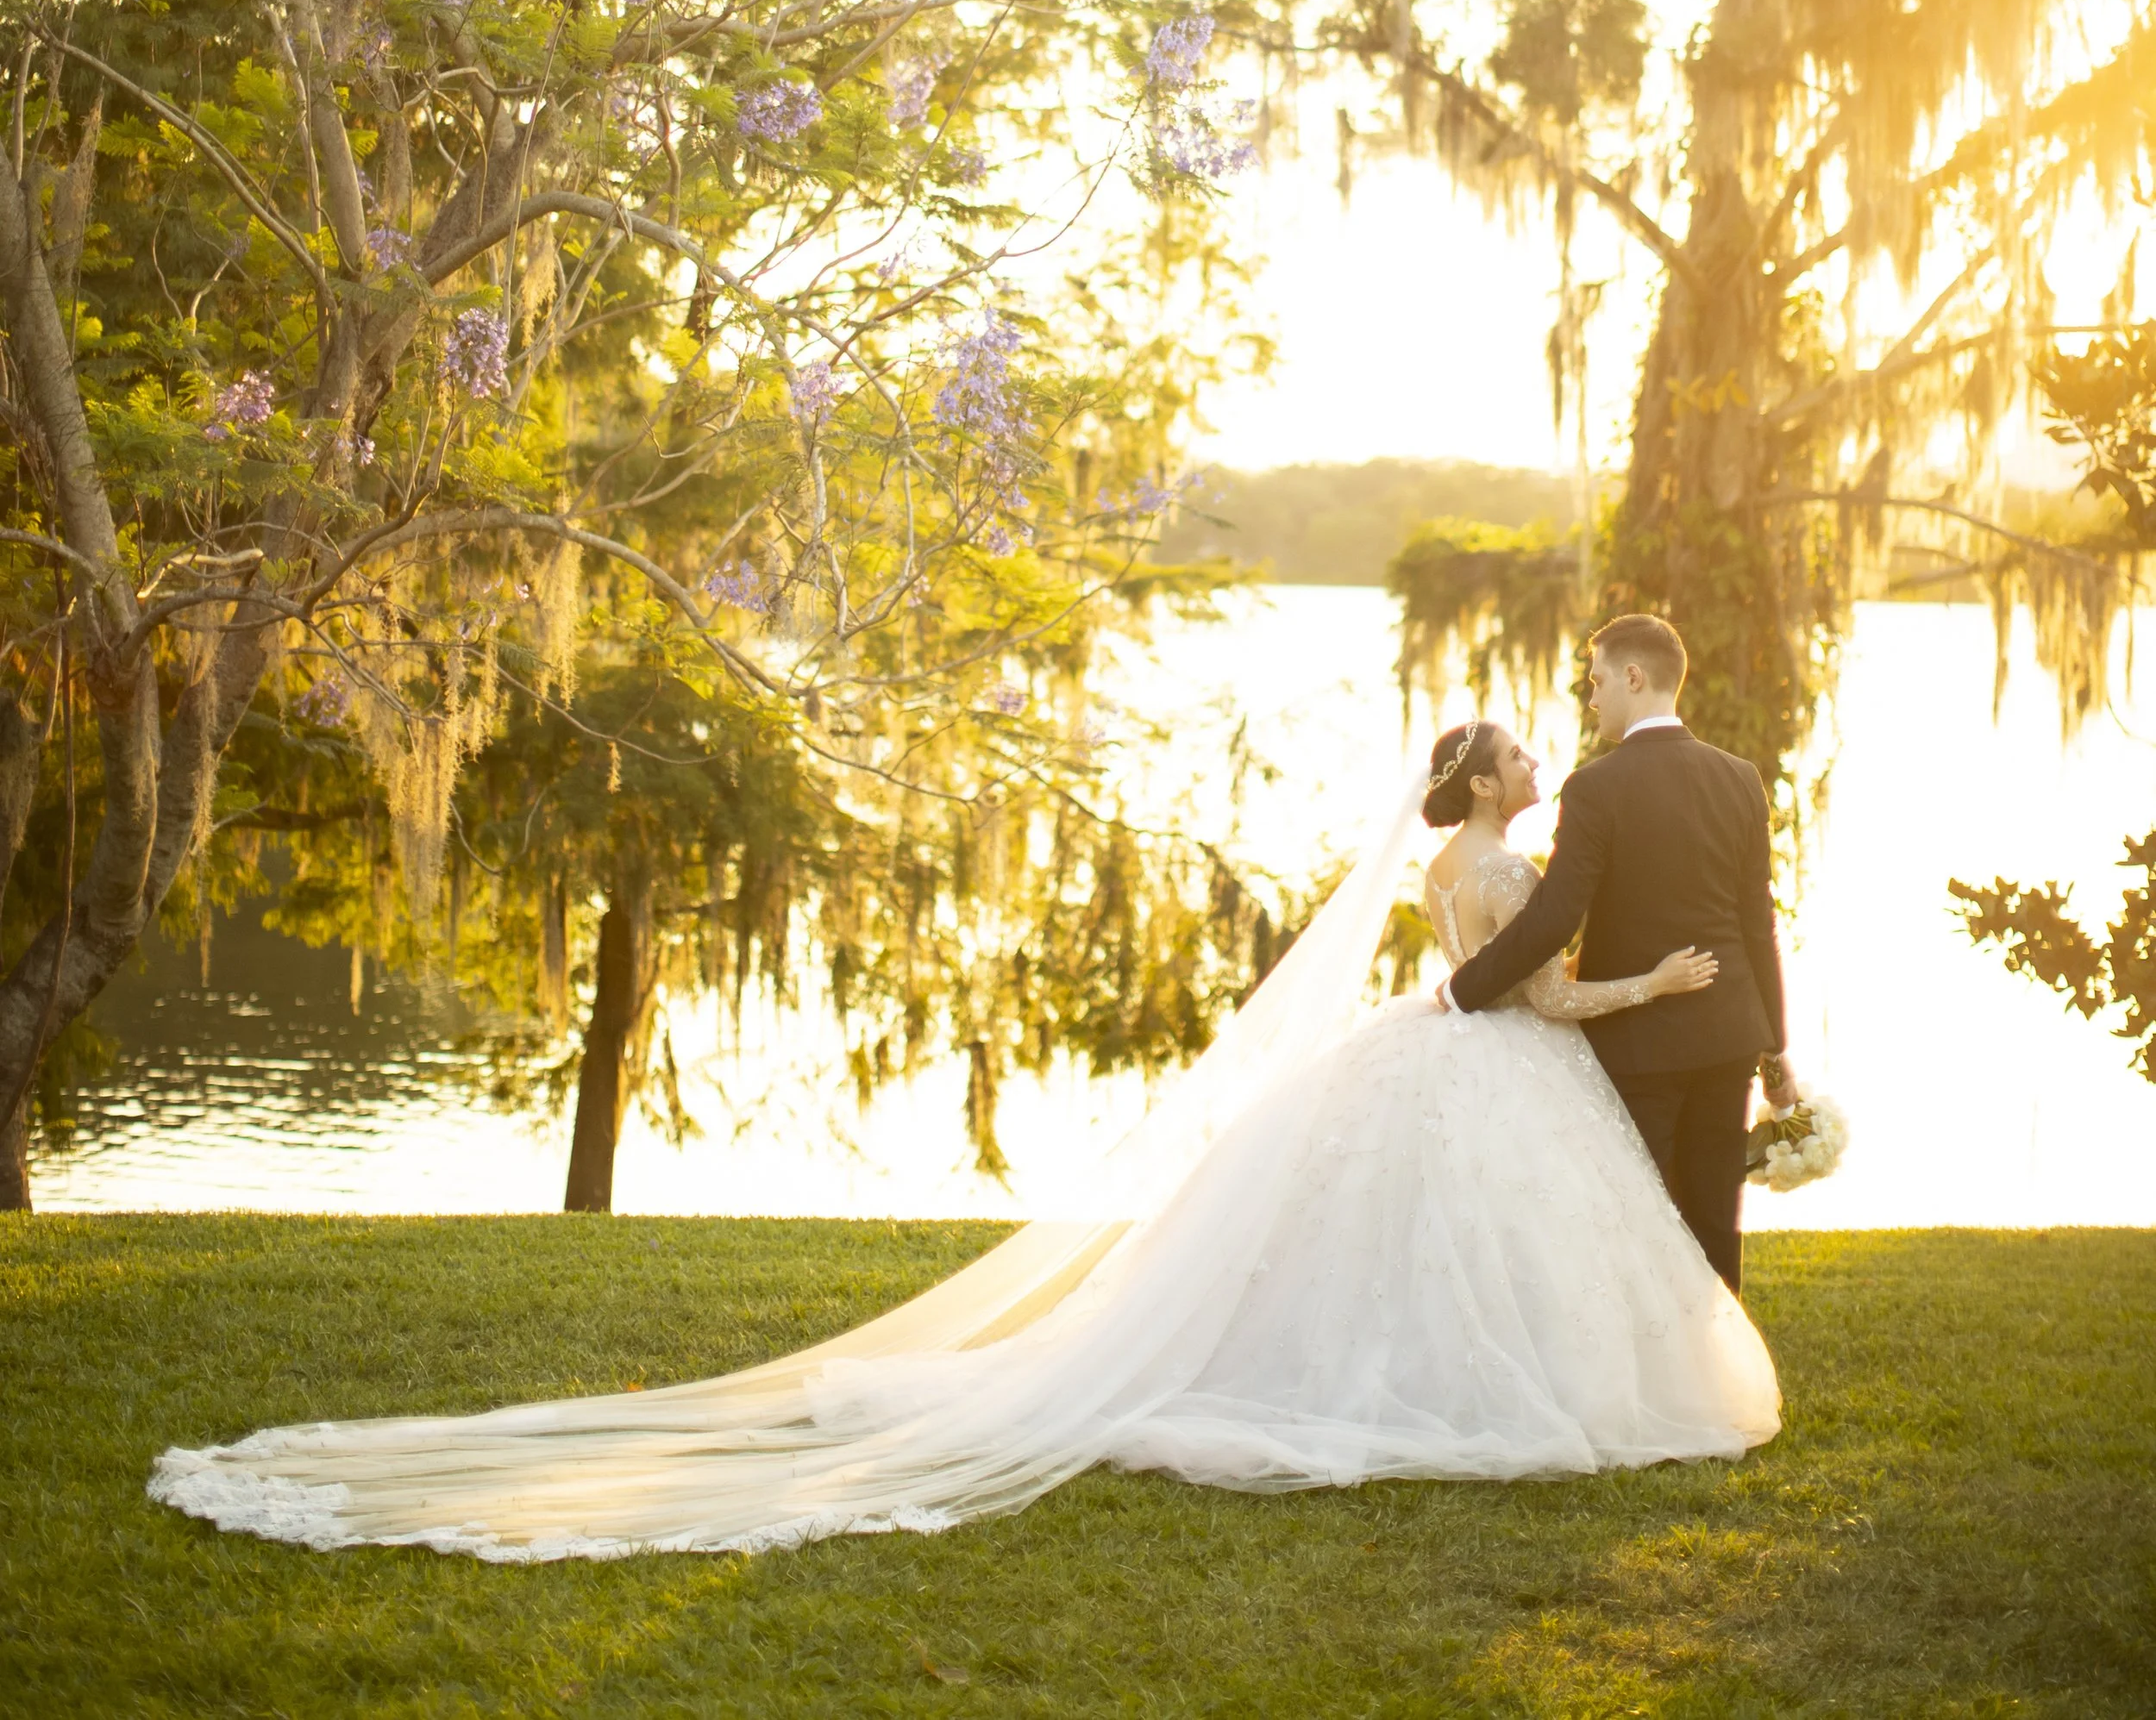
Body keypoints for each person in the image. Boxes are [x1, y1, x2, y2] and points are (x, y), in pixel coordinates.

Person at [150, 727, 1780, 1561]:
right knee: (1467, 1244)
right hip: (1493, 1059)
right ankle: (1472, 1386)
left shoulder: (1494, 853)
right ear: (1486, 782)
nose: (1524, 752)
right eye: (1508, 748)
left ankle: (1428, 1370)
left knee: (1413, 1243)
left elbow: (1498, 970)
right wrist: (1654, 977)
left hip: (1449, 1058)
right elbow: (1536, 993)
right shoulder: (1502, 865)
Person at [1442, 612, 1796, 1292]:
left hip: (1639, 1047)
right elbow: (1759, 925)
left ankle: (1661, 1385)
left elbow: (1551, 921)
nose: (1592, 695)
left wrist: (1463, 989)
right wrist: (1774, 1046)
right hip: (1728, 1039)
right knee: (1716, 1223)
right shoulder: (1740, 777)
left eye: (1598, 679)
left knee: (1642, 1224)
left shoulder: (1595, 788)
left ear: (1634, 677)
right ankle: (1719, 1385)